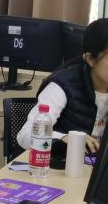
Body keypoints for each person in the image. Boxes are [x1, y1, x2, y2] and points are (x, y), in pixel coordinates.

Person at [17, 18, 108, 154]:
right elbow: (25, 135)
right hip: (57, 163)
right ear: (90, 59)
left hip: (94, 166)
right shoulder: (62, 85)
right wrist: (64, 138)